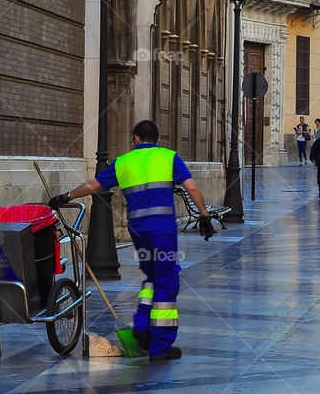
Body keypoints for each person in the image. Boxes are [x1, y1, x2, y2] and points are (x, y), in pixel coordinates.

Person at [48, 120, 214, 362]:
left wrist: (66, 196)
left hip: (138, 232)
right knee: (167, 283)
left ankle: (141, 326)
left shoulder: (123, 162)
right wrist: (205, 216)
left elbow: (94, 185)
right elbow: (192, 188)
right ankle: (159, 347)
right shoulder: (169, 157)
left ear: (135, 138)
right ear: (157, 140)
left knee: (151, 279)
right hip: (162, 232)